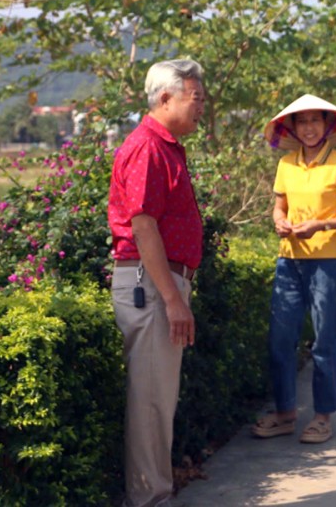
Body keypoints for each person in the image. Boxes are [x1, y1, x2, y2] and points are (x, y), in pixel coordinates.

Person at [108, 59, 206, 507]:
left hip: (159, 281)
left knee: (159, 400)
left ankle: (155, 495)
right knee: (150, 402)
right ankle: (150, 500)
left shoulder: (165, 145)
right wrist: (173, 299)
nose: (200, 107)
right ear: (165, 99)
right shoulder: (148, 146)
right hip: (152, 284)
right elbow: (143, 224)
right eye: (195, 98)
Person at [252, 94, 336, 445]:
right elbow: (278, 206)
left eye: (316, 120)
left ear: (328, 125)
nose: (310, 128)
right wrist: (280, 221)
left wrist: (321, 224)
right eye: (302, 121)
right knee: (280, 340)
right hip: (289, 260)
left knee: (324, 340)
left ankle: (323, 417)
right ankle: (285, 414)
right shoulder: (286, 164)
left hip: (327, 262)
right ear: (293, 128)